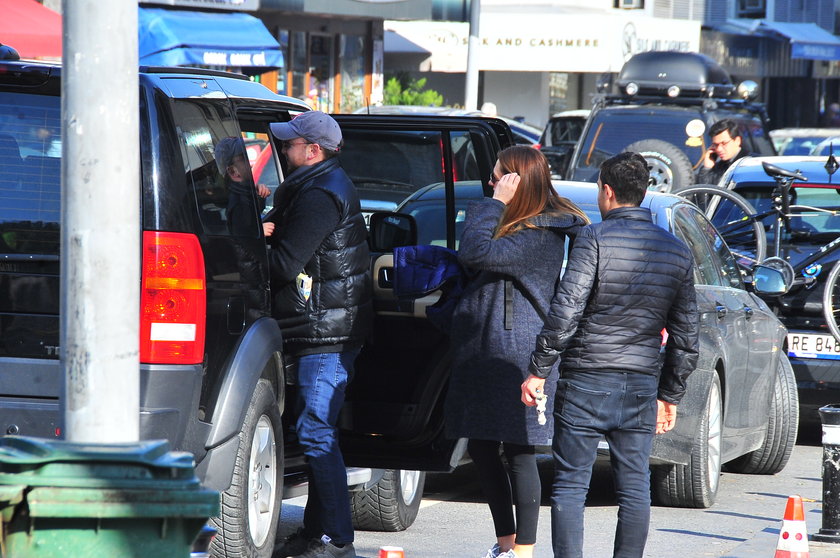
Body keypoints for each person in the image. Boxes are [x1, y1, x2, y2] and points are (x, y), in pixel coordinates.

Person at [521, 152, 699, 558]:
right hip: (640, 384)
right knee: (634, 487)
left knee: (570, 485)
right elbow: (687, 335)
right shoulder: (676, 251)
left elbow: (567, 309)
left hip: (586, 378)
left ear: (607, 191)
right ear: (644, 192)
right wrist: (669, 395)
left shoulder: (594, 238)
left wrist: (538, 369)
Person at [444, 146, 589, 558]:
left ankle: (523, 550)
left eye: (497, 178)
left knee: (520, 451)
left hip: (517, 354)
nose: (491, 184)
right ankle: (505, 543)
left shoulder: (539, 235)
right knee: (482, 446)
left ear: (515, 183)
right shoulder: (518, 226)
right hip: (486, 349)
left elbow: (475, 253)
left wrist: (494, 204)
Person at [266, 111, 372, 558]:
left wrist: (251, 241)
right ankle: (315, 533)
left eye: (290, 144)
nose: (283, 149)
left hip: (325, 333)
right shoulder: (318, 184)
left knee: (315, 431)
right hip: (323, 326)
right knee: (315, 430)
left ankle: (337, 540)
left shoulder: (320, 194)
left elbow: (283, 264)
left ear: (313, 151)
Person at [213, 136, 271, 236]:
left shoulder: (243, 190)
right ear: (233, 171)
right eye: (243, 159)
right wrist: (258, 232)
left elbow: (254, 213)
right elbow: (240, 235)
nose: (250, 163)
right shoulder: (237, 201)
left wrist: (259, 196)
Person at [696, 118, 748, 185]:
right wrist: (707, 168)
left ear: (737, 141)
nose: (719, 149)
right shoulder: (719, 166)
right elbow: (705, 190)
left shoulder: (751, 163)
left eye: (724, 143)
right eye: (715, 145)